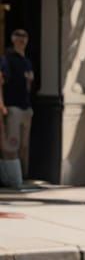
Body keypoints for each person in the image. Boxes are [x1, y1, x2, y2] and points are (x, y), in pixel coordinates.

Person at [1, 28, 35, 183]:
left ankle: (23, 175)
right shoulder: (7, 59)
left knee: (24, 145)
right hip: (13, 105)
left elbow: (30, 83)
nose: (22, 40)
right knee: (12, 143)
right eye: (19, 36)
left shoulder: (27, 61)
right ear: (13, 39)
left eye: (25, 36)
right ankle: (13, 178)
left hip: (26, 106)